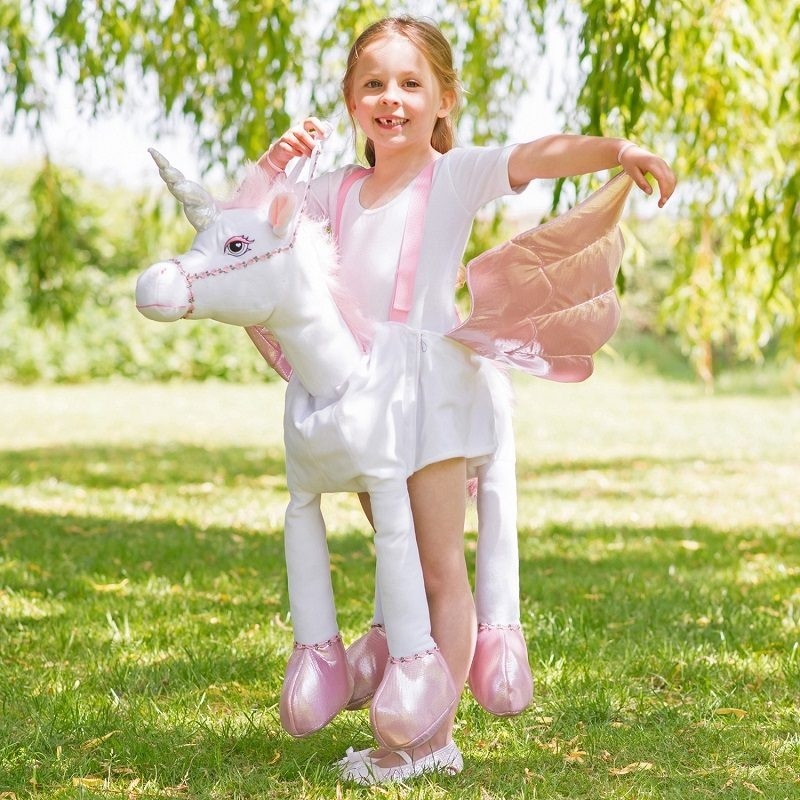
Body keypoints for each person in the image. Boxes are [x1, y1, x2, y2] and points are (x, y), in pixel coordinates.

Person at [257, 15, 676, 785]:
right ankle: (414, 716)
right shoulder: (331, 191)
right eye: (373, 84)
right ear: (350, 101)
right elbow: (250, 232)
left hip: (434, 398)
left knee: (438, 568)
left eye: (410, 83)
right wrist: (272, 165)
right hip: (366, 405)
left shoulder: (450, 177)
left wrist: (618, 151)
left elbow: (538, 155)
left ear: (443, 99)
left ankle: (429, 739)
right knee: (401, 559)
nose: (392, 98)